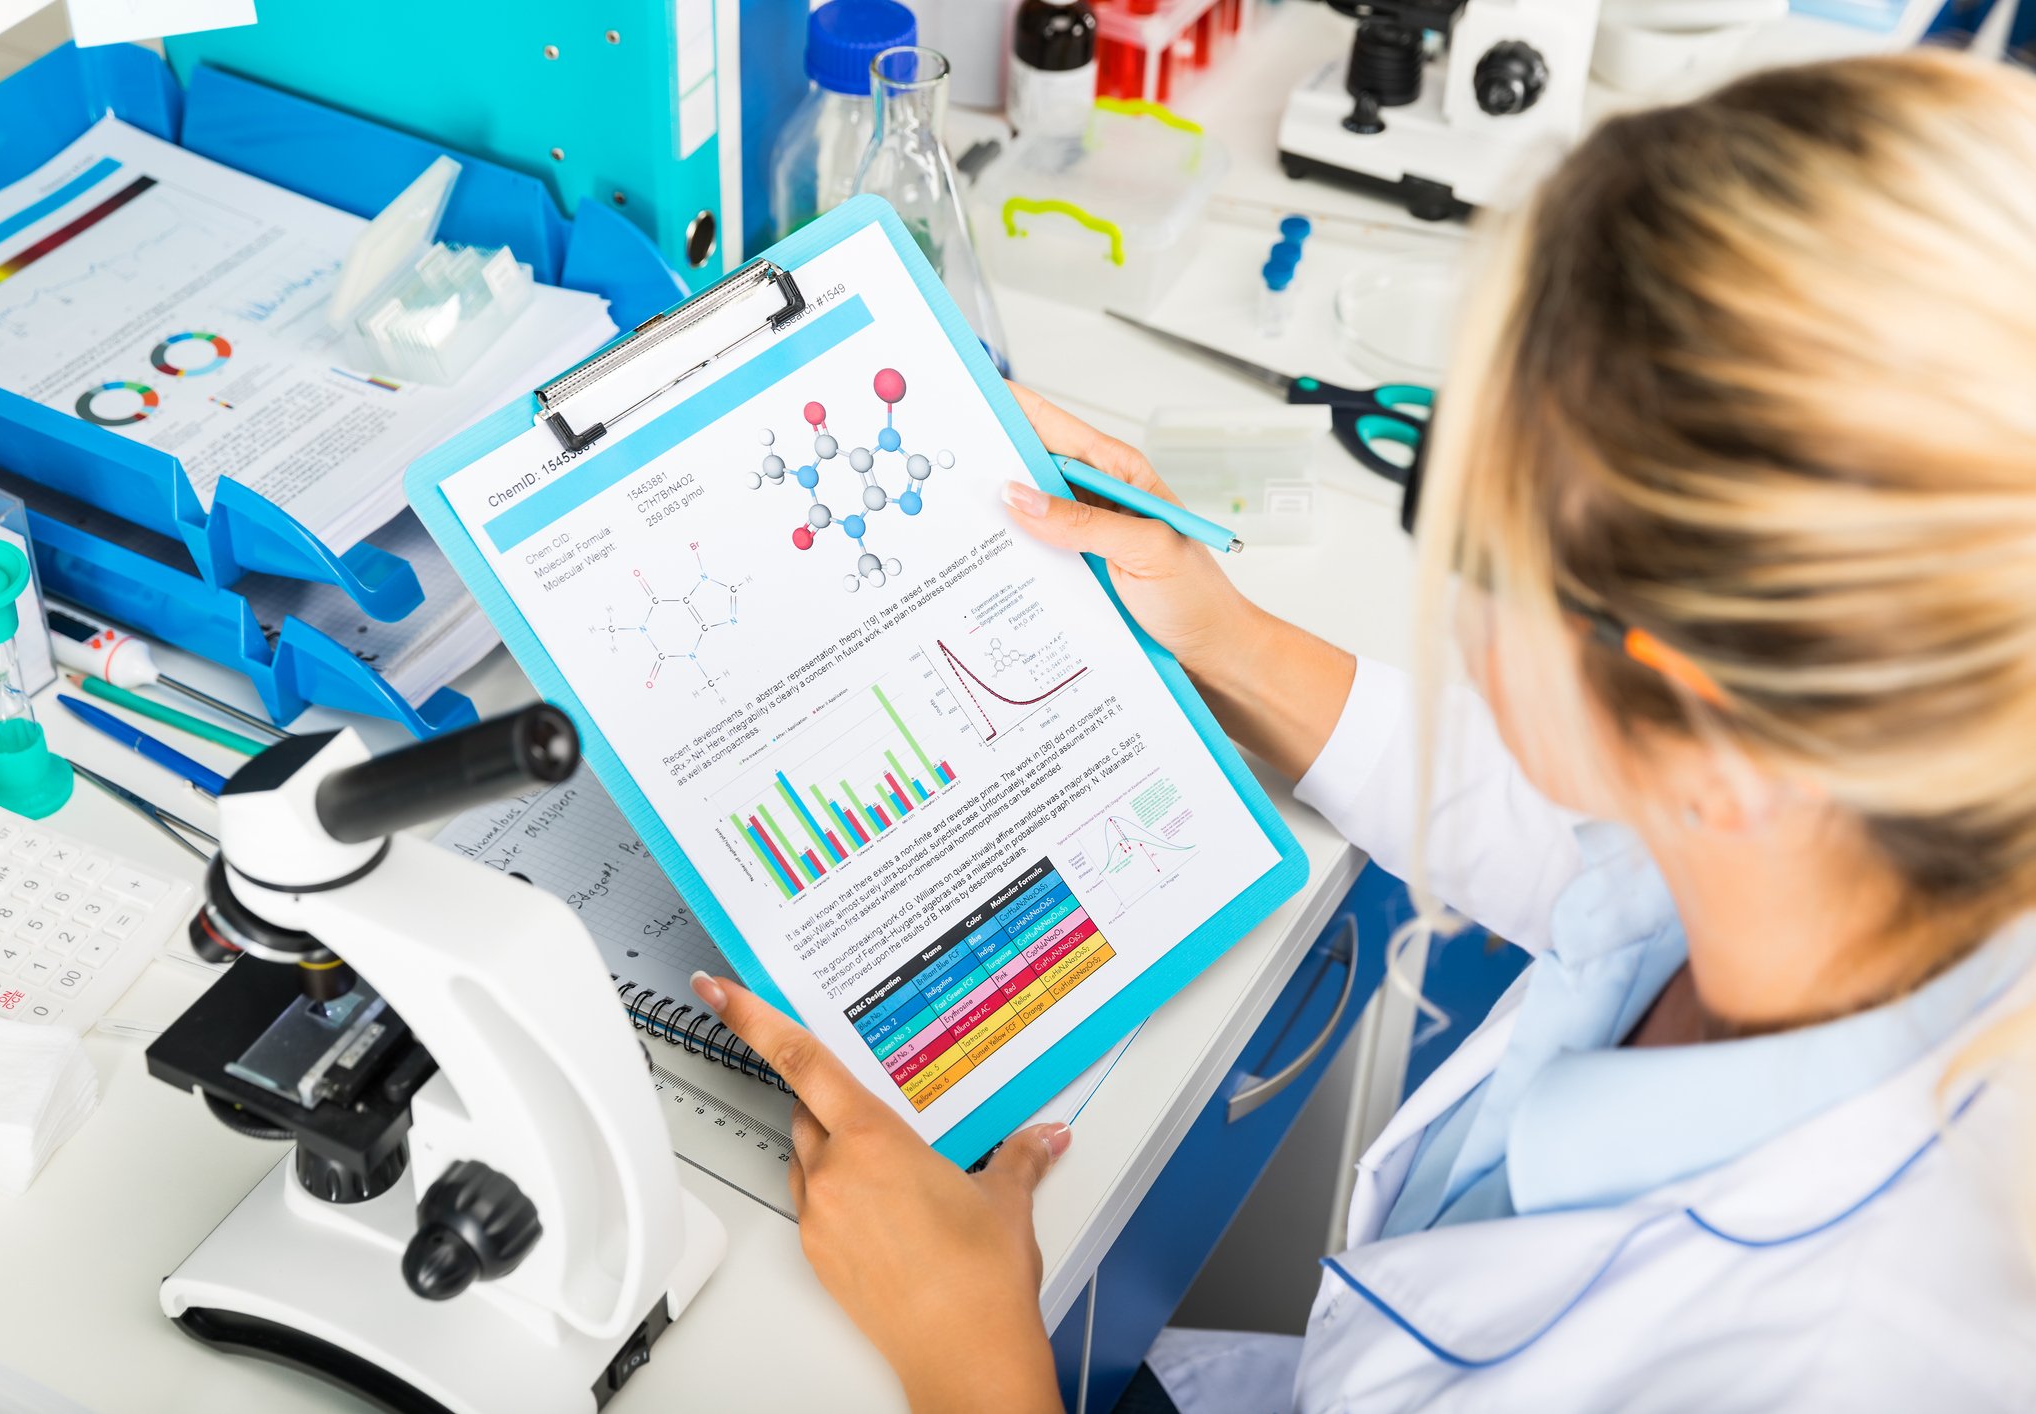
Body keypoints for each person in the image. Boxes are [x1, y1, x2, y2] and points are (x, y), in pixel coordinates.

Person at [688, 49, 2036, 1412]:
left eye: (1485, 539)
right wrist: (1216, 629)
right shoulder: (1875, 830)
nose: (1449, 597)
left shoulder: (1823, 1361)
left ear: (1713, 737)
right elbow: (1590, 858)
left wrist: (968, 1348)